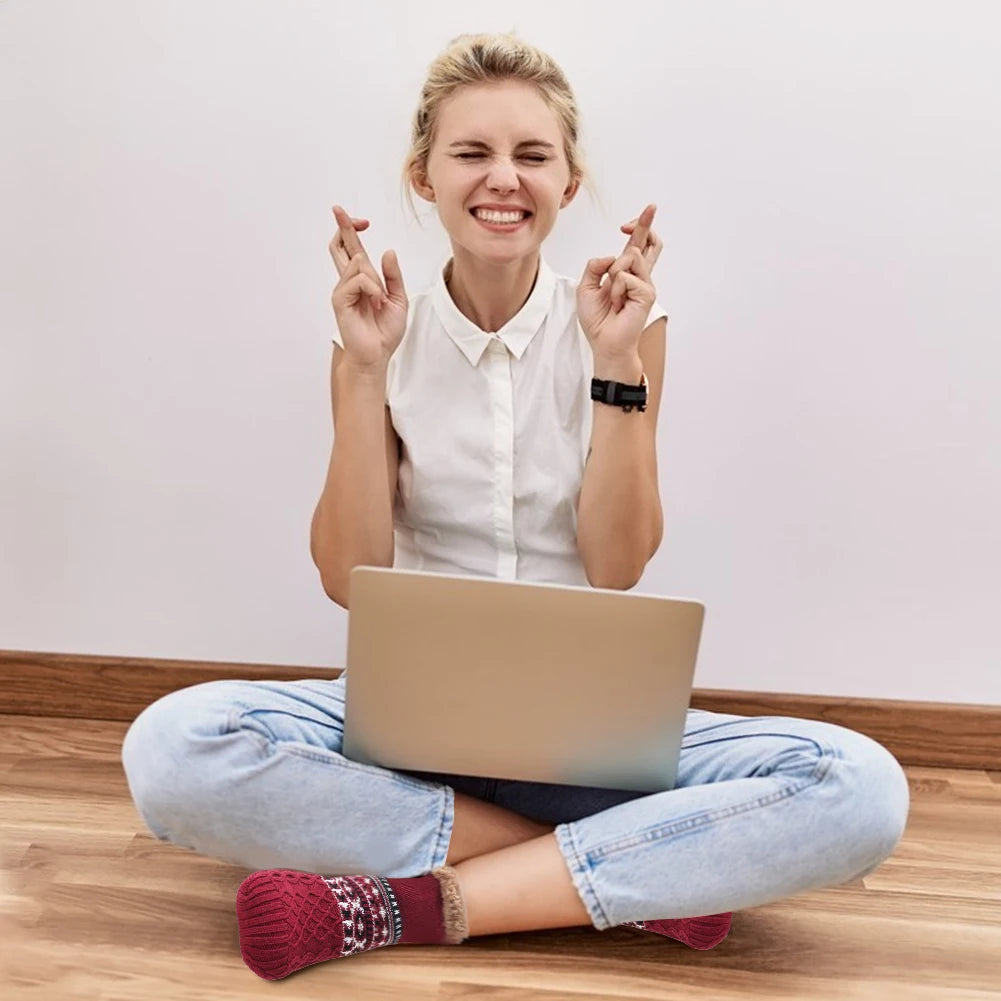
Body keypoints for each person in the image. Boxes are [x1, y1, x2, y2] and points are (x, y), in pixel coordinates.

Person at [120, 32, 911, 981]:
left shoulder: (626, 332)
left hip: (590, 741)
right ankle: (632, 872)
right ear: (424, 176)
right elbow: (347, 577)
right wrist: (367, 372)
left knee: (859, 787)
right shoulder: (374, 334)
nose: (504, 178)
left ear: (568, 183)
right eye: (472, 152)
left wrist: (614, 365)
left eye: (532, 155)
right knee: (173, 748)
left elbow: (617, 564)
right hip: (401, 734)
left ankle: (405, 902)